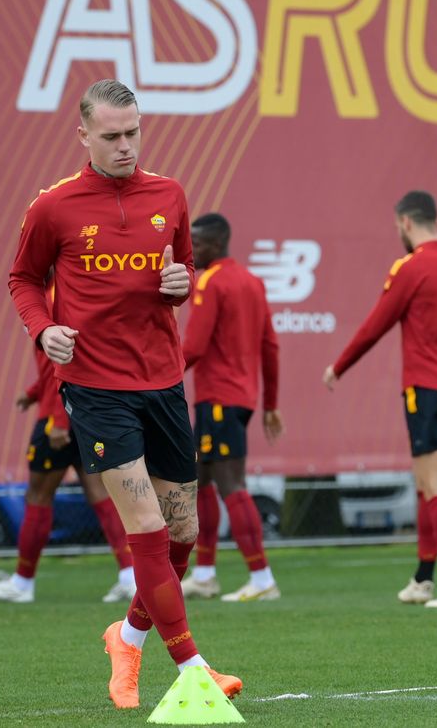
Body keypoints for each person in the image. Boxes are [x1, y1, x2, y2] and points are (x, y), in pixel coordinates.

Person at [9, 79, 241, 710]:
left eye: (133, 131)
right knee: (144, 525)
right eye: (111, 135)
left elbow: (186, 268)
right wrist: (45, 327)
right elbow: (24, 279)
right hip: (95, 386)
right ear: (83, 135)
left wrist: (178, 282)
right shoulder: (52, 207)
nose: (125, 145)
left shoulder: (170, 193)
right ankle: (194, 669)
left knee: (182, 533)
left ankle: (127, 635)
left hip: (163, 381)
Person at [323, 191, 437, 608]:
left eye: (397, 228)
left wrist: (339, 365)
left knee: (436, 484)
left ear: (407, 223)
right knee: (426, 485)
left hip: (426, 389)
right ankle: (424, 578)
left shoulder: (411, 267)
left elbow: (376, 324)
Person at [0, 341, 136, 604]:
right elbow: (58, 367)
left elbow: (66, 365)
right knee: (101, 495)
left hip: (58, 418)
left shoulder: (51, 304)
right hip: (85, 415)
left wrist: (59, 420)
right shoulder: (57, 305)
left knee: (38, 496)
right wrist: (34, 392)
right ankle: (130, 577)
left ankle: (22, 583)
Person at [177, 212, 284, 603]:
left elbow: (195, 347)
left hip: (219, 399)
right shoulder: (252, 282)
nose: (192, 251)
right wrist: (270, 403)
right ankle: (205, 574)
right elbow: (270, 346)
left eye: (197, 244)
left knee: (231, 486)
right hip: (236, 400)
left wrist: (156, 373)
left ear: (216, 244)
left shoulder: (211, 281)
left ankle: (261, 578)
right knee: (200, 483)